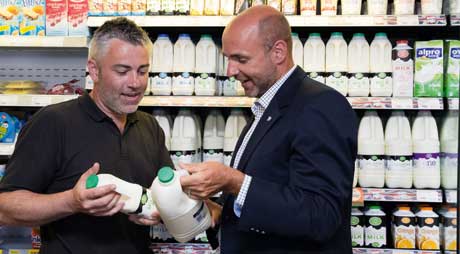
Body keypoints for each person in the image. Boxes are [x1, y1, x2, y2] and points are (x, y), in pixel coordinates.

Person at [180, 5, 358, 253]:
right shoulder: (267, 106)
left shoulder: (320, 106)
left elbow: (321, 215)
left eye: (241, 59)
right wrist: (222, 211)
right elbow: (269, 190)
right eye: (228, 59)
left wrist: (235, 182)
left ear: (278, 52)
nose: (230, 71)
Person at [0, 17, 173, 254]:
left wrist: (162, 208)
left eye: (143, 71)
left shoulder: (149, 127)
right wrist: (72, 201)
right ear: (94, 70)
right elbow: (5, 208)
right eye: (122, 71)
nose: (135, 82)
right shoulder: (53, 123)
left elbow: (164, 197)